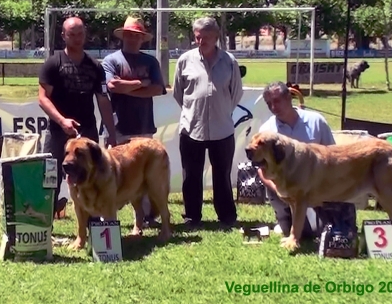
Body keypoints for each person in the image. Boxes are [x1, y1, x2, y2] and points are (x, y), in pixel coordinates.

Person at [39, 16, 117, 215]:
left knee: (92, 175)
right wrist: (61, 120)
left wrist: (111, 132)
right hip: (57, 132)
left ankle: (92, 223)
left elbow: (103, 100)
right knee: (50, 176)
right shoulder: (53, 64)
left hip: (87, 133)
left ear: (85, 35)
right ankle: (46, 222)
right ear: (63, 36)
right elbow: (42, 99)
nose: (77, 38)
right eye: (72, 35)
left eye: (80, 34)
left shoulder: (95, 66)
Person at [172, 17, 244, 229]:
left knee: (222, 175)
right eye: (197, 36)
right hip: (191, 128)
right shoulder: (184, 60)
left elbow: (236, 93)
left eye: (204, 37)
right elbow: (178, 93)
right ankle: (192, 216)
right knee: (191, 175)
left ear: (215, 37)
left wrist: (220, 111)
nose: (199, 41)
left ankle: (226, 216)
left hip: (222, 128)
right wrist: (193, 111)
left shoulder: (230, 61)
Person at [102, 16, 167, 225]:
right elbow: (112, 87)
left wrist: (127, 88)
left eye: (137, 36)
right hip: (117, 127)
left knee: (143, 176)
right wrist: (142, 83)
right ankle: (110, 218)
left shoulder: (151, 61)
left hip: (143, 126)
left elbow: (157, 89)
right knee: (112, 174)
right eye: (129, 35)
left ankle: (146, 218)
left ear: (142, 39)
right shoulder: (111, 60)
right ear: (123, 36)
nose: (132, 39)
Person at [257, 81, 336, 238]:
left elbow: (332, 155)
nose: (273, 108)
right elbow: (261, 169)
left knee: (317, 232)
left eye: (277, 101)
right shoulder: (266, 131)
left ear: (289, 97)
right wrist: (277, 189)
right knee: (298, 232)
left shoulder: (316, 121)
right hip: (283, 192)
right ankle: (285, 220)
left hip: (316, 189)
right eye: (269, 104)